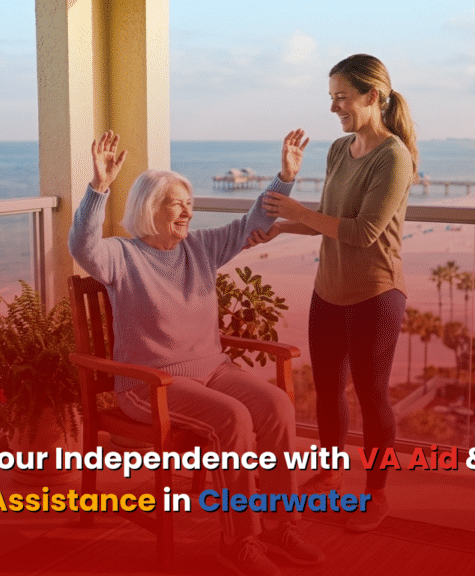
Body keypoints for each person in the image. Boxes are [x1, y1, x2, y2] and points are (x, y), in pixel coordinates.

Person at [69, 130, 323, 576]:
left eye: (189, 203)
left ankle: (282, 523)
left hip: (211, 370)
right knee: (234, 418)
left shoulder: (200, 248)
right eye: (177, 203)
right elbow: (82, 247)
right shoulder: (121, 257)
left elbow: (252, 226)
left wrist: (285, 177)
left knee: (278, 405)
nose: (188, 210)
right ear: (151, 209)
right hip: (150, 385)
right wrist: (98, 189)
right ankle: (239, 542)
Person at [251, 54, 418, 532]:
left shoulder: (394, 157)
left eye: (342, 97)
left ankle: (376, 493)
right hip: (329, 291)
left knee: (371, 395)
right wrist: (283, 226)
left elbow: (363, 232)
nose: (334, 108)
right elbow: (328, 220)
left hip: (375, 295)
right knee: (327, 393)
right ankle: (326, 476)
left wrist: (296, 210)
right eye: (331, 98)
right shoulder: (338, 150)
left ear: (373, 97)